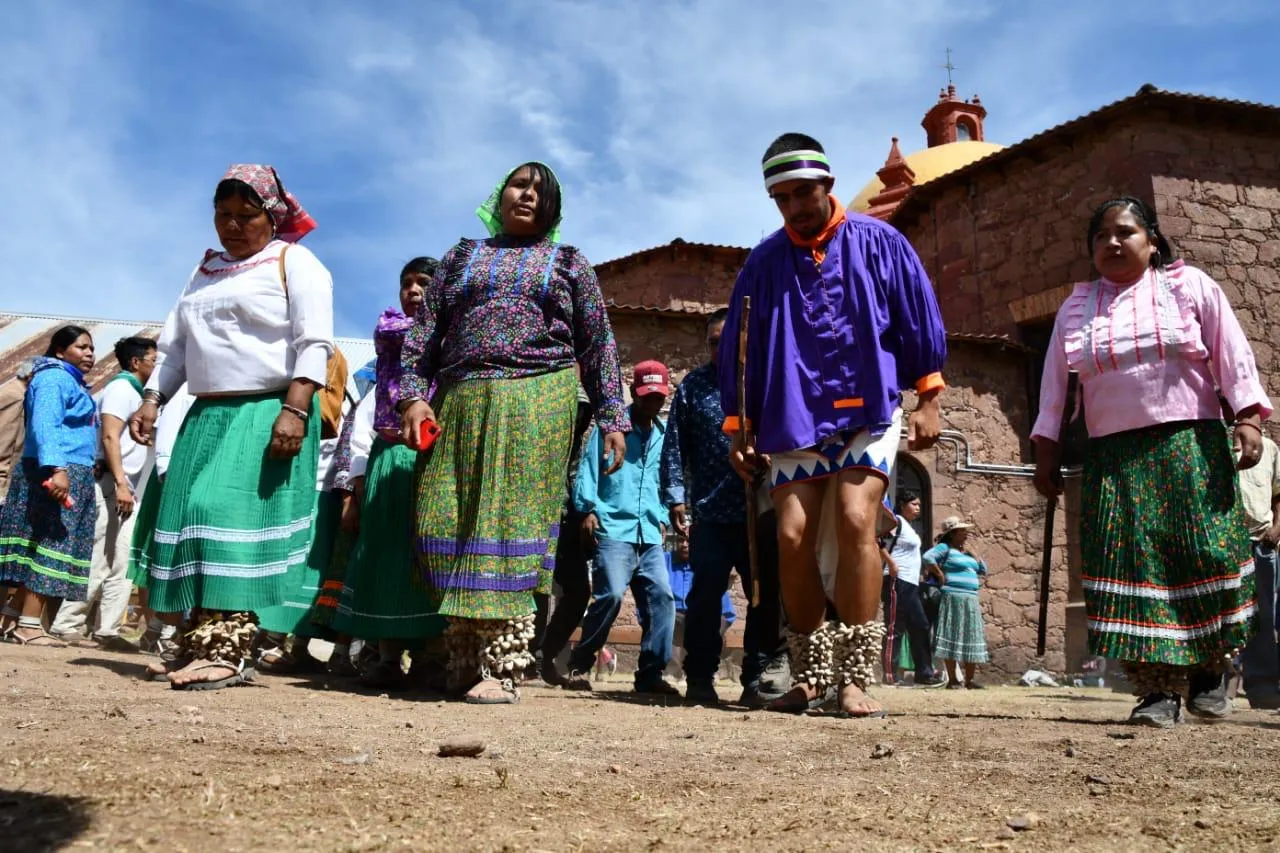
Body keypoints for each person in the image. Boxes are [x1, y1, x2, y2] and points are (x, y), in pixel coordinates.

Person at [719, 133, 947, 718]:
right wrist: (739, 428)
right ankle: (810, 673)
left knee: (854, 520)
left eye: (803, 193)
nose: (794, 206)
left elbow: (918, 319)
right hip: (792, 414)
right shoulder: (764, 263)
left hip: (868, 407)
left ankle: (854, 676)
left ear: (827, 184)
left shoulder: (881, 243)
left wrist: (928, 398)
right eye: (782, 198)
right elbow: (740, 351)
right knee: (791, 535)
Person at [1032, 196, 1269, 727]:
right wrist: (1046, 448)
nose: (1112, 244)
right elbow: (1055, 386)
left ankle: (1210, 671)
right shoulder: (1076, 307)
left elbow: (1232, 354)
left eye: (1125, 233)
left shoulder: (1190, 287)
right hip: (1115, 455)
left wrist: (1249, 416)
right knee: (1132, 561)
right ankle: (1156, 690)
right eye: (1101, 237)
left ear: (1152, 241)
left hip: (1191, 443)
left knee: (1205, 551)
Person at [398, 161, 628, 705]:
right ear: (499, 196)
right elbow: (425, 334)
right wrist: (412, 395)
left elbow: (598, 344)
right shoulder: (460, 258)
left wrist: (613, 416)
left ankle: (501, 661)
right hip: (459, 397)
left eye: (539, 190)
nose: (526, 195)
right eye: (518, 185)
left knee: (508, 522)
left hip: (536, 399)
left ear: (552, 208)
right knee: (443, 519)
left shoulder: (568, 262)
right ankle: (459, 651)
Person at [128, 163, 334, 691]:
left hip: (266, 410)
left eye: (246, 216)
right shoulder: (204, 271)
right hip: (207, 413)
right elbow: (176, 349)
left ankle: (229, 646)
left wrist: (295, 408)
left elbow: (314, 342)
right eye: (223, 215)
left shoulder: (294, 262)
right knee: (187, 516)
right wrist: (152, 400)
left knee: (221, 513)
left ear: (272, 218)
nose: (234, 226)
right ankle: (197, 641)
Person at [332, 258, 447, 689]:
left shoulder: (446, 341)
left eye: (424, 283)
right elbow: (363, 428)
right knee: (382, 555)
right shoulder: (392, 329)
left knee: (427, 553)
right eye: (407, 283)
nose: (413, 290)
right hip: (390, 456)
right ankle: (385, 654)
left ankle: (431, 655)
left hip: (431, 459)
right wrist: (357, 480)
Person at [663, 308, 787, 706]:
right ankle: (700, 676)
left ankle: (757, 676)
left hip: (759, 511)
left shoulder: (763, 385)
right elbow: (675, 448)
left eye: (727, 341)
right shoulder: (693, 388)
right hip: (711, 513)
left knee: (763, 597)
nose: (719, 349)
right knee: (704, 596)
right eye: (712, 342)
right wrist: (676, 497)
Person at [568, 361, 677, 695]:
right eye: (647, 396)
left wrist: (660, 516)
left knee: (662, 597)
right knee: (611, 595)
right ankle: (579, 664)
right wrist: (586, 508)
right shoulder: (611, 430)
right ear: (633, 392)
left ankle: (650, 674)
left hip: (648, 531)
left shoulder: (662, 435)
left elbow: (662, 481)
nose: (653, 403)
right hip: (613, 527)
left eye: (659, 397)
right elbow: (589, 468)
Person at [50, 336, 157, 651]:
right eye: (154, 359)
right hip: (114, 484)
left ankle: (106, 628)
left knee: (122, 559)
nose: (158, 365)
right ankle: (67, 623)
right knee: (100, 554)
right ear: (135, 362)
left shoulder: (141, 395)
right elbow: (110, 437)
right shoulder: (121, 390)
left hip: (130, 487)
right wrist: (122, 483)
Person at [0, 326, 98, 646]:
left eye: (91, 348)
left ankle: (14, 619)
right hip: (57, 469)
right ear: (59, 351)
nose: (89, 353)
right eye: (81, 347)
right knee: (50, 542)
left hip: (70, 469)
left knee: (44, 542)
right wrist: (58, 468)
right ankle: (29, 625)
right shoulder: (54, 378)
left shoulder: (67, 380)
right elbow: (45, 424)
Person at [536, 381, 597, 687]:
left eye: (581, 413)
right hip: (535, 520)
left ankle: (545, 655)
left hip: (567, 522)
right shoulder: (536, 440)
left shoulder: (580, 446)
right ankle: (526, 658)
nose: (575, 419)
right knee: (536, 590)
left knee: (578, 591)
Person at [127, 384, 194, 656]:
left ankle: (157, 627)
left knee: (183, 554)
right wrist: (167, 468)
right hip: (173, 476)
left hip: (186, 473)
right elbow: (170, 423)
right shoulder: (187, 387)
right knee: (171, 554)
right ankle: (166, 631)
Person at [880, 490, 946, 687]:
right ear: (902, 505)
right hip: (896, 580)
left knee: (921, 625)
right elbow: (878, 541)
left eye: (919, 505)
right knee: (895, 626)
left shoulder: (909, 527)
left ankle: (924, 673)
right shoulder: (896, 521)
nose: (918, 508)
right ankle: (890, 675)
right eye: (914, 504)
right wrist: (891, 564)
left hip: (911, 582)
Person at [1237, 429, 1280, 706]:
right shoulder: (1213, 442)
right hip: (1223, 541)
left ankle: (1262, 684)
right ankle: (1212, 685)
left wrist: (1277, 529)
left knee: (1263, 616)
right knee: (1218, 614)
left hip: (1261, 542)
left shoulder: (1269, 448)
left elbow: (1279, 493)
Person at [921, 517, 988, 688]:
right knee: (951, 635)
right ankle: (953, 680)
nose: (966, 534)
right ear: (952, 534)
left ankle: (970, 680)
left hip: (971, 598)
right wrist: (940, 575)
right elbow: (928, 557)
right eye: (962, 531)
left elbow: (983, 570)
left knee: (970, 636)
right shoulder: (945, 548)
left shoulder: (965, 552)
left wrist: (973, 553)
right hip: (952, 596)